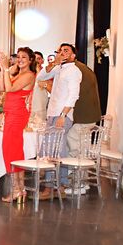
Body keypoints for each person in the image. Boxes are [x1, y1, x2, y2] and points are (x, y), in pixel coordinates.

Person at [36, 43, 82, 199]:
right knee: (55, 150)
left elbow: (74, 95)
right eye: (60, 51)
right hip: (52, 113)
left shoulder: (74, 71)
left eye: (66, 51)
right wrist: (53, 63)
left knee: (54, 151)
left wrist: (63, 115)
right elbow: (40, 77)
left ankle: (53, 188)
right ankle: (58, 186)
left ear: (73, 55)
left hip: (62, 115)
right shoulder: (58, 68)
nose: (62, 53)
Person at [0, 47, 36, 202]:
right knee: (15, 151)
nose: (20, 59)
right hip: (11, 114)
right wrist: (3, 70)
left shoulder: (29, 75)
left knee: (10, 151)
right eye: (18, 57)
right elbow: (1, 88)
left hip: (17, 115)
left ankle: (16, 189)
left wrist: (7, 69)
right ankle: (20, 189)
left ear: (30, 60)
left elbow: (10, 88)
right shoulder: (18, 74)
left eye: (24, 57)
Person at [65, 52, 101, 196]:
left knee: (75, 149)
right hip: (90, 115)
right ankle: (83, 182)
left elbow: (73, 95)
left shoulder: (74, 70)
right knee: (82, 150)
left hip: (83, 116)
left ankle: (77, 184)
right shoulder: (83, 68)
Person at [30, 51, 49, 123]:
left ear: (42, 61)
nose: (36, 61)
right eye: (34, 59)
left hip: (40, 107)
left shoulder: (47, 73)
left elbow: (40, 85)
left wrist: (38, 70)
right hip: (29, 106)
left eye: (38, 59)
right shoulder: (28, 73)